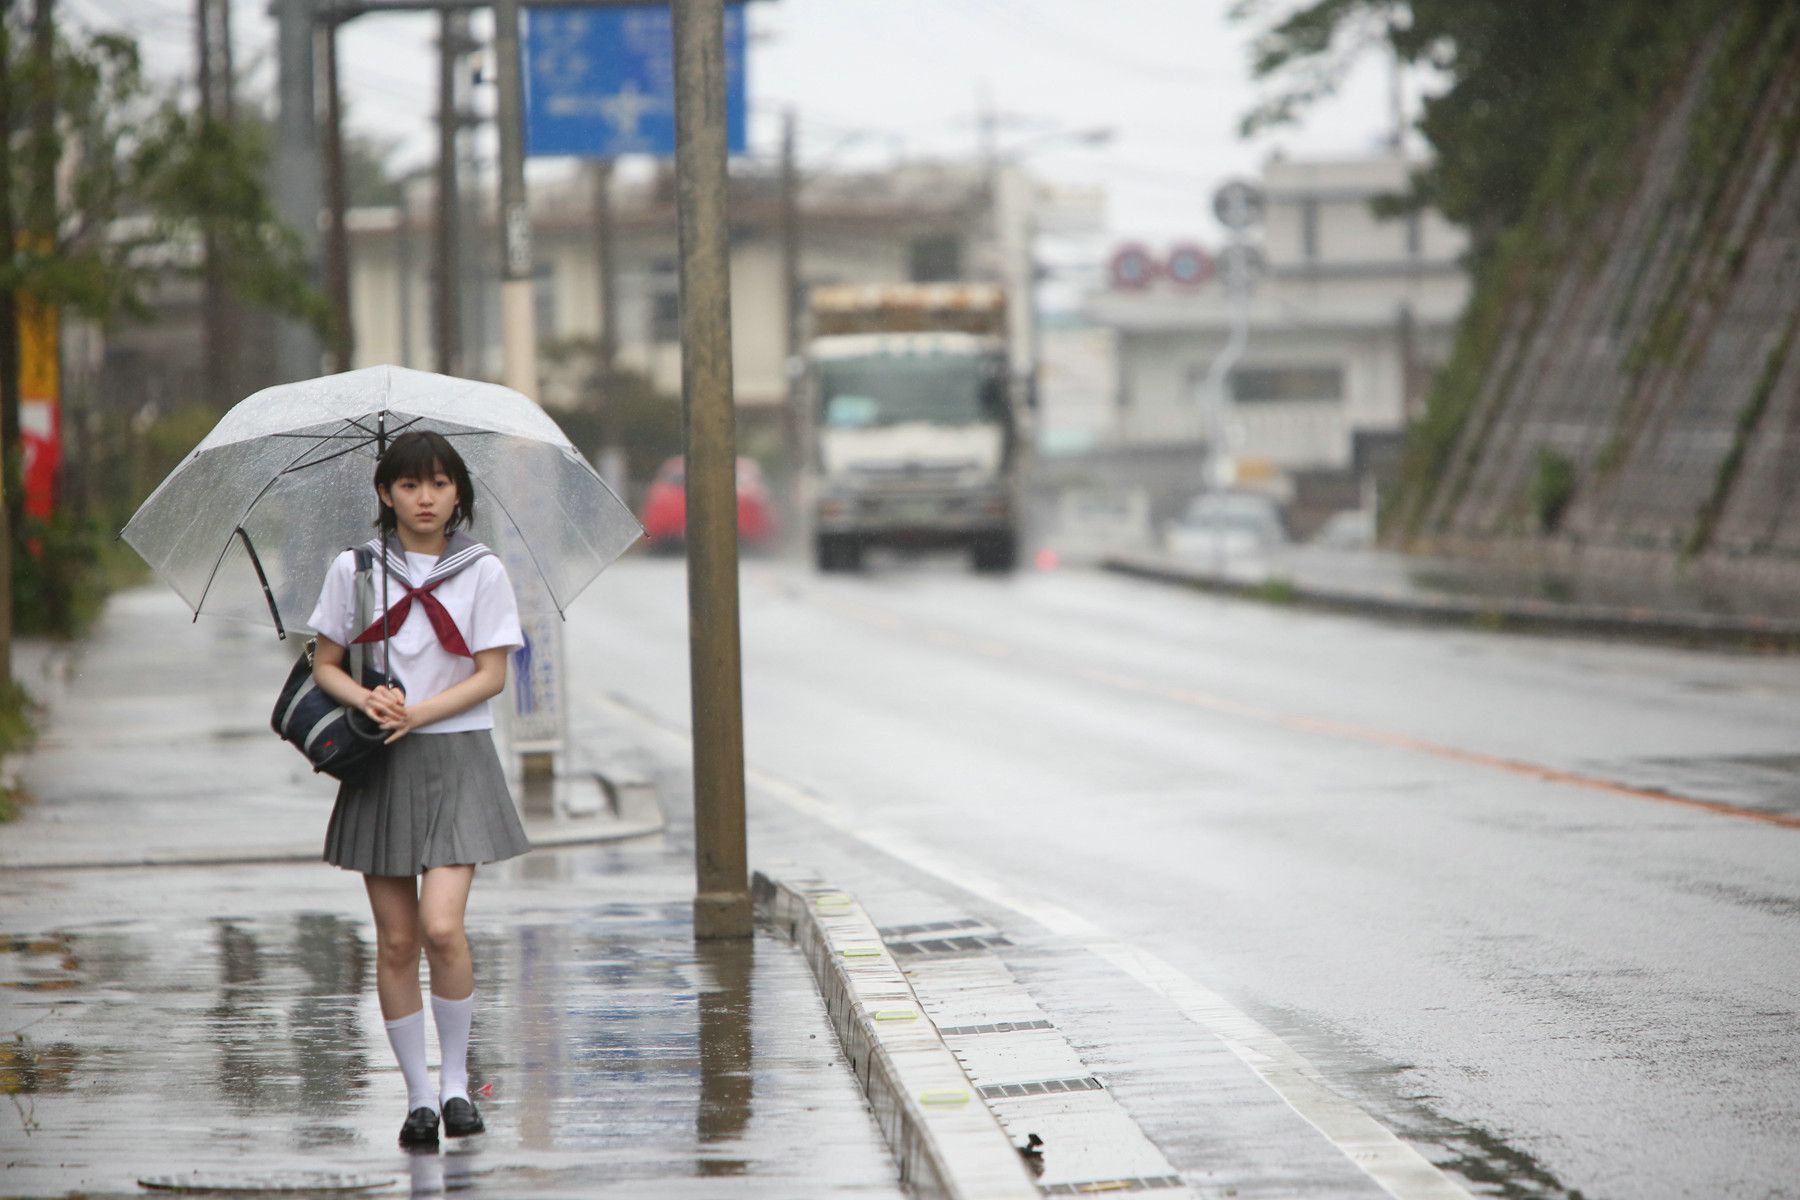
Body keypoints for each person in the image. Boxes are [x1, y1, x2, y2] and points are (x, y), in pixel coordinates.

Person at [307, 429, 530, 1149]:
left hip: (458, 757)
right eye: (408, 485)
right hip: (382, 765)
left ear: (458, 491)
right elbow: (326, 664)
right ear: (385, 493)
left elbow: (492, 674)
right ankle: (419, 1098)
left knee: (442, 927)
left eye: (438, 483)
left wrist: (419, 712)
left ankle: (459, 1082)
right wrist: (368, 703)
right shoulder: (356, 569)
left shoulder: (483, 570)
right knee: (398, 940)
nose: (424, 497)